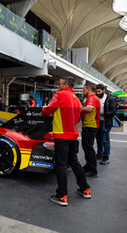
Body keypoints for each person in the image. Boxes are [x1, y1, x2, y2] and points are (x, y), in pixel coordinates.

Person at [41, 76, 90, 207]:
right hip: (73, 134)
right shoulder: (77, 99)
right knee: (74, 161)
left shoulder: (60, 95)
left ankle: (62, 195)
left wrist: (43, 109)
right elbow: (78, 118)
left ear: (65, 85)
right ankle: (85, 189)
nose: (58, 86)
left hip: (62, 135)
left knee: (61, 165)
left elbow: (46, 111)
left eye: (60, 83)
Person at [81, 82, 101, 177]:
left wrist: (76, 108)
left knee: (89, 148)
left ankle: (93, 169)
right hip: (88, 126)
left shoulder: (92, 98)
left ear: (89, 89)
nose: (82, 91)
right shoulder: (90, 98)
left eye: (84, 89)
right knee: (86, 147)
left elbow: (89, 109)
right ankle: (88, 166)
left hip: (91, 126)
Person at [95, 84, 116, 165]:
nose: (98, 93)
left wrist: (104, 114)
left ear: (103, 90)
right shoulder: (97, 98)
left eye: (99, 91)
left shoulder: (109, 99)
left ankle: (106, 157)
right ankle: (99, 154)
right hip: (98, 122)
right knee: (98, 139)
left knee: (105, 140)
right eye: (96, 91)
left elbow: (113, 111)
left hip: (105, 123)